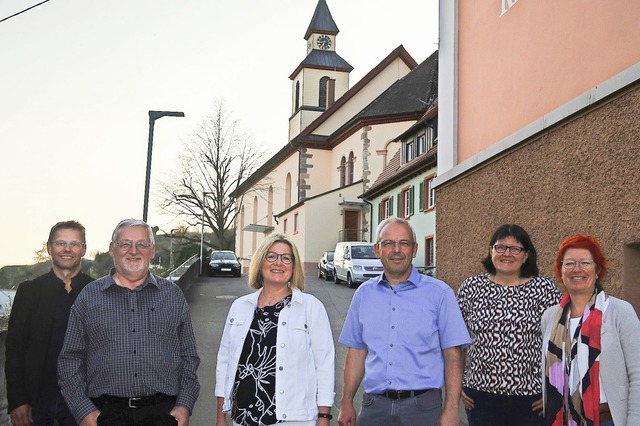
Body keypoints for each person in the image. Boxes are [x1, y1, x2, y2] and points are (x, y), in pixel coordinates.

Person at [58, 218, 200, 426]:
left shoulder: (172, 295)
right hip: (105, 415)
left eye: (142, 244)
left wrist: (184, 405)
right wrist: (83, 411)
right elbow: (70, 359)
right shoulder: (89, 297)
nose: (134, 251)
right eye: (125, 244)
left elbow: (188, 356)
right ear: (112, 249)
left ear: (152, 250)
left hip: (163, 414)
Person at [338, 217, 471, 426]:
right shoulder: (364, 294)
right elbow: (356, 352)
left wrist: (452, 408)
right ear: (377, 250)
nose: (396, 250)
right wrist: (346, 401)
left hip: (423, 409)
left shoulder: (440, 294)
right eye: (388, 243)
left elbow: (453, 355)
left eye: (404, 243)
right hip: (374, 408)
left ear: (415, 249)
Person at [215, 233, 334, 426]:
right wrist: (221, 416)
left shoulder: (311, 307)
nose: (278, 263)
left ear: (293, 266)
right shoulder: (240, 307)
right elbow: (225, 362)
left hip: (294, 419)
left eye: (286, 258)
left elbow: (325, 366)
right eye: (271, 256)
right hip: (243, 418)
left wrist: (324, 417)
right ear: (260, 262)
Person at [457, 224, 561, 425]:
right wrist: (458, 384)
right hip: (480, 395)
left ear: (526, 255)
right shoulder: (471, 288)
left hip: (531, 398)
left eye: (515, 249)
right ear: (491, 251)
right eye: (501, 247)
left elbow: (559, 342)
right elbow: (456, 340)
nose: (507, 254)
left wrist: (554, 389)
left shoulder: (545, 289)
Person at [541, 234, 640, 426]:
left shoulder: (619, 312)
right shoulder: (550, 317)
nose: (577, 269)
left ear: (597, 270)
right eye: (569, 263)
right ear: (560, 271)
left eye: (585, 262)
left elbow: (638, 374)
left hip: (608, 421)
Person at [5, 220, 94, 426]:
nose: (67, 249)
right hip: (36, 400)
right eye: (60, 243)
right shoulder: (29, 292)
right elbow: (15, 348)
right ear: (49, 248)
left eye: (75, 244)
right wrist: (17, 401)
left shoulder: (96, 291)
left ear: (83, 250)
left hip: (84, 402)